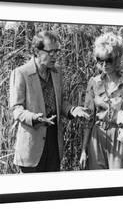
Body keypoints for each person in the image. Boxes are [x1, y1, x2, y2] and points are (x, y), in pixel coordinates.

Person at [9, 30, 90, 173]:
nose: (55, 56)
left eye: (57, 51)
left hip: (53, 142)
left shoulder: (56, 72)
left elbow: (60, 102)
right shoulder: (21, 73)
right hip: (32, 146)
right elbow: (16, 109)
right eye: (50, 52)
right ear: (36, 51)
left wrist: (72, 110)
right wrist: (34, 118)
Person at [79, 32, 123, 170]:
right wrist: (84, 150)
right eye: (100, 59)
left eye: (108, 60)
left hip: (119, 137)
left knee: (117, 182)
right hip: (97, 136)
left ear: (116, 59)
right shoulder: (93, 82)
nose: (104, 64)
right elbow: (88, 118)